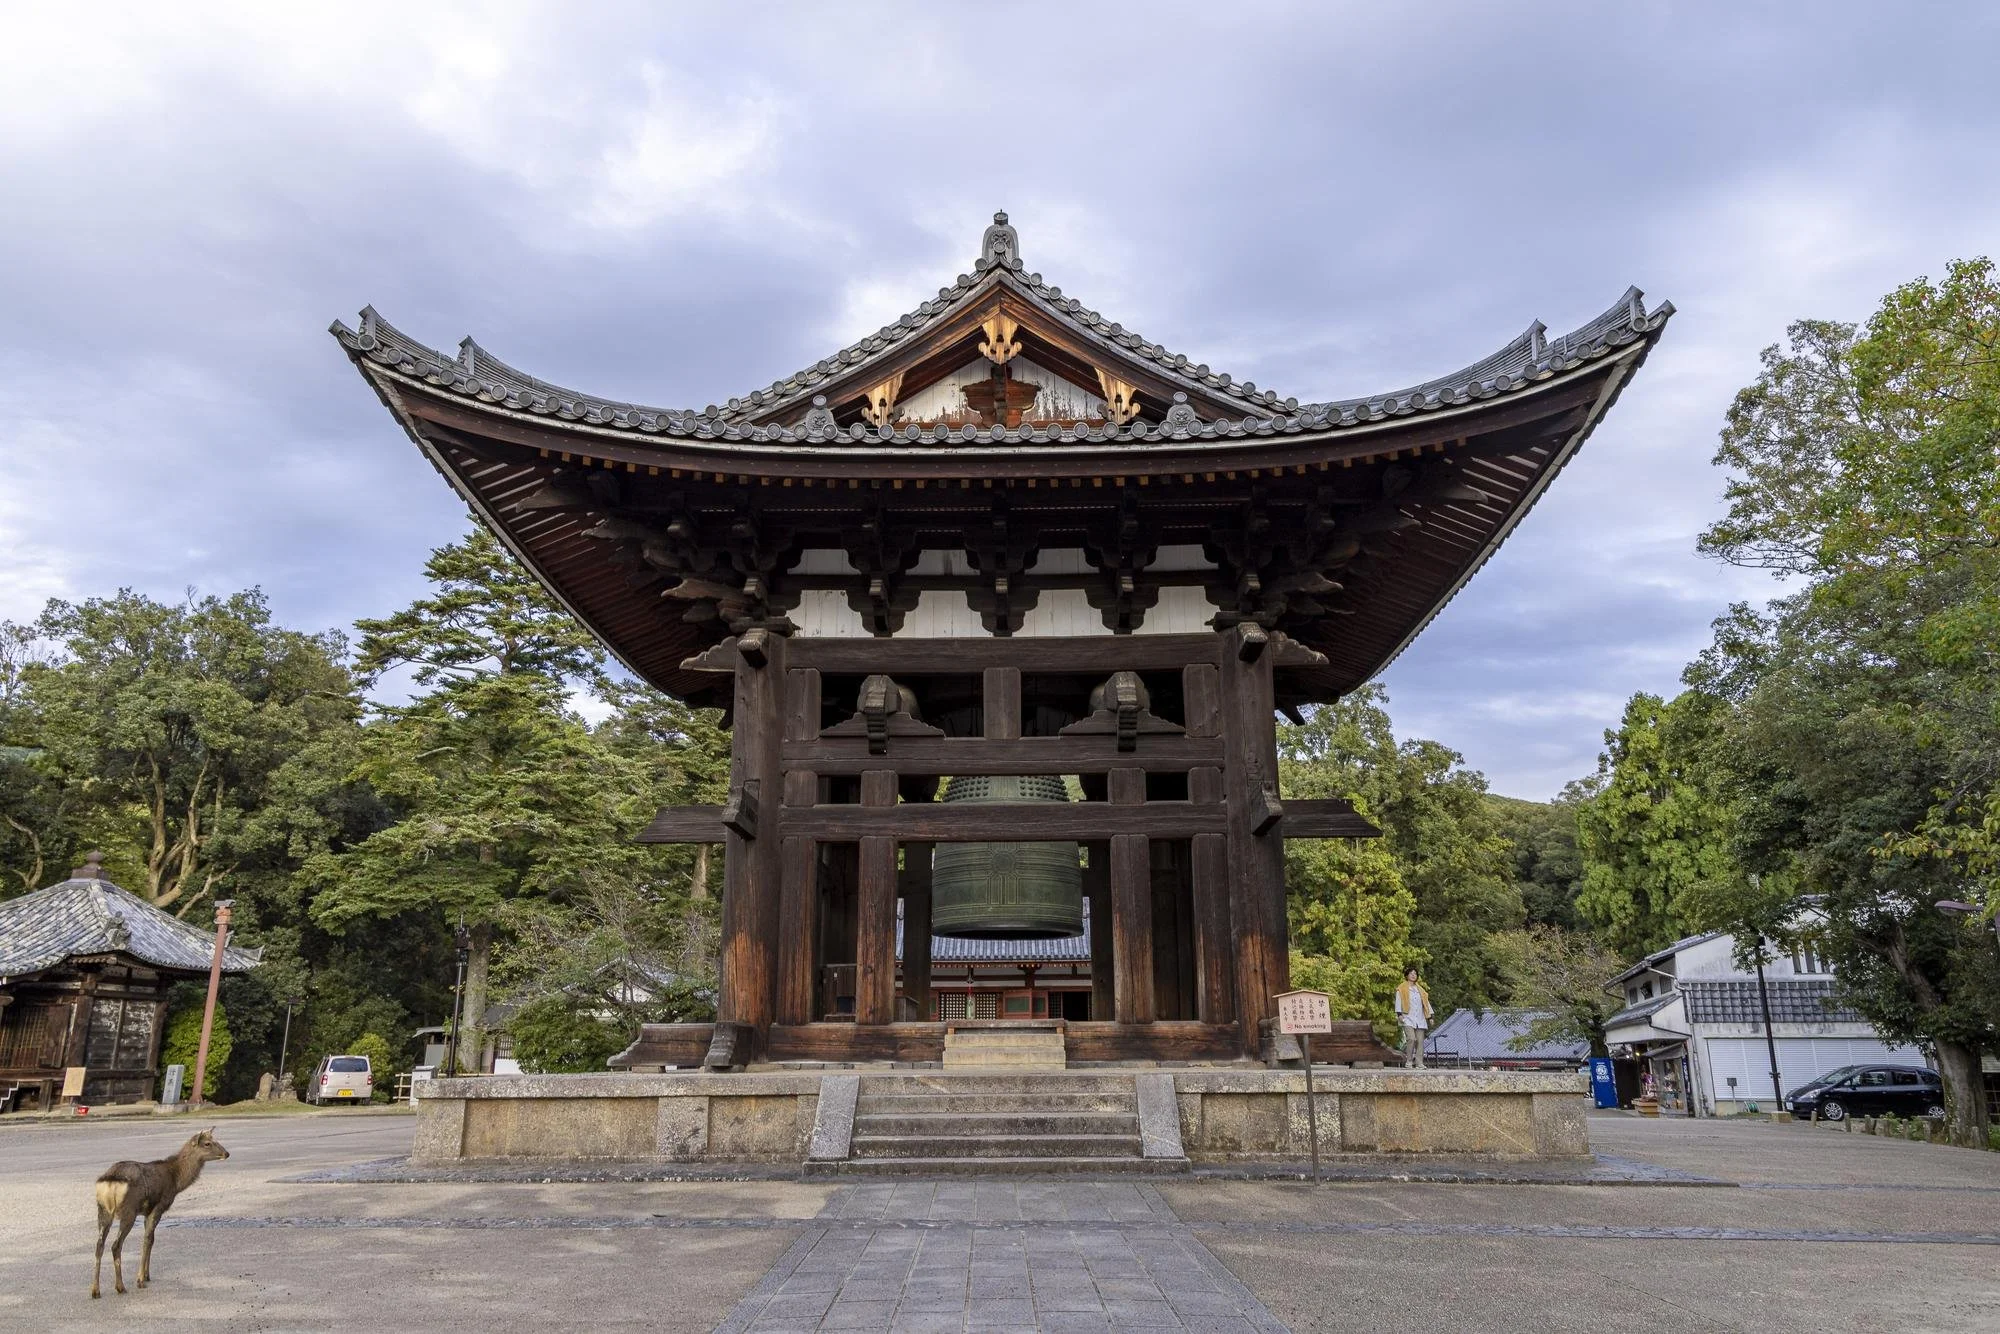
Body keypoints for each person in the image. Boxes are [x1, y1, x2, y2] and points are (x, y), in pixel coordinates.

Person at [1394, 967, 1433, 1068]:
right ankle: (1409, 1061)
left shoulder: (1420, 990)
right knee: (1411, 1039)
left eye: (1415, 973)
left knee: (1420, 1041)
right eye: (1411, 973)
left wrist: (1430, 1017)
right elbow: (1398, 1001)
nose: (1413, 975)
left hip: (1420, 1018)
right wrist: (1399, 1014)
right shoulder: (1401, 988)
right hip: (1407, 1017)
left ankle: (1419, 1062)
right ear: (1407, 975)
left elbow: (1426, 1003)